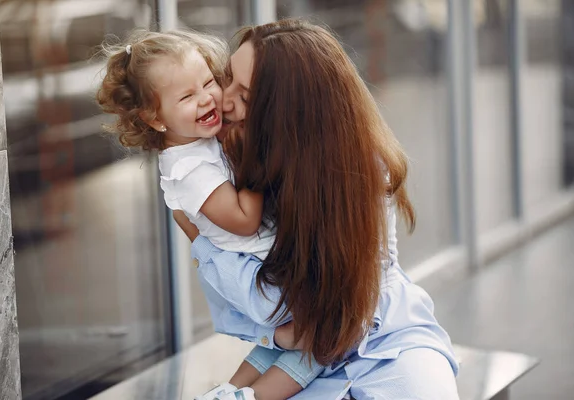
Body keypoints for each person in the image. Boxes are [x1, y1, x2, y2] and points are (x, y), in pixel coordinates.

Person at [177, 18, 460, 399]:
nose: (223, 100)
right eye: (227, 79)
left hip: (383, 346)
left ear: (289, 115)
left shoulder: (356, 173)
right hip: (296, 359)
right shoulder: (233, 167)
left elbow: (282, 311)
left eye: (245, 96)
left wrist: (203, 242)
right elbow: (262, 313)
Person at [95, 29, 326, 400]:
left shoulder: (198, 145)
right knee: (318, 345)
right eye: (187, 96)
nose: (207, 99)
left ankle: (229, 390)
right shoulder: (189, 169)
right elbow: (245, 221)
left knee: (279, 348)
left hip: (258, 265)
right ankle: (253, 397)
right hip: (261, 271)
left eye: (208, 82)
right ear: (155, 118)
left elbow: (186, 219)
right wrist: (254, 159)